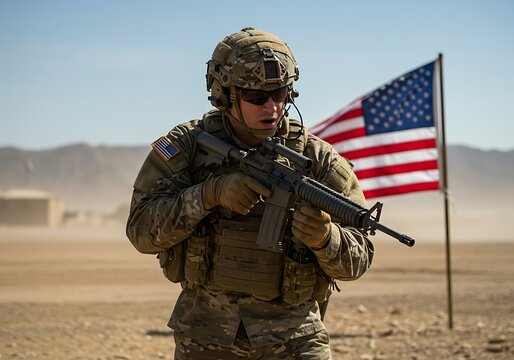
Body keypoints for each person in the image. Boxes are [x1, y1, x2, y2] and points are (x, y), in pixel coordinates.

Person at [126, 27, 374, 359]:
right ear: (224, 93)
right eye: (256, 97)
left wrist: (324, 237)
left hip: (295, 337)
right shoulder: (187, 146)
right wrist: (208, 194)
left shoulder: (318, 159)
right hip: (206, 334)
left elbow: (359, 258)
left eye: (281, 93)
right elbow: (141, 231)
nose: (272, 106)